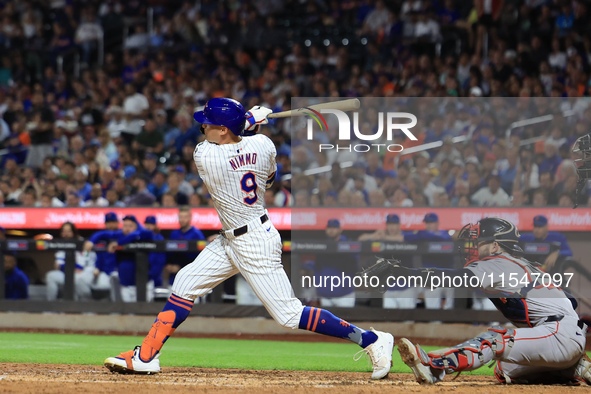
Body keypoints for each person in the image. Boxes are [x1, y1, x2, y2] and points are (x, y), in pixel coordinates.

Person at [104, 98, 394, 379]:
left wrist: (249, 122)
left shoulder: (205, 155)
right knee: (184, 282)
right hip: (232, 238)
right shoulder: (264, 144)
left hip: (254, 242)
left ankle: (371, 339)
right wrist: (251, 126)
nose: (203, 127)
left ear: (223, 130)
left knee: (289, 315)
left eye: (209, 124)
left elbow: (230, 148)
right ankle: (146, 357)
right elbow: (266, 178)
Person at [392, 217, 590, 385]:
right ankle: (571, 368)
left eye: (480, 242)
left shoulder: (498, 262)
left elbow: (455, 278)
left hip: (557, 334)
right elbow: (570, 302)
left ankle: (434, 366)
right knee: (505, 369)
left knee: (495, 339)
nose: (474, 247)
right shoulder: (519, 264)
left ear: (496, 245)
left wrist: (403, 273)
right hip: (565, 336)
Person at [46, 222, 110, 301]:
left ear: (74, 232)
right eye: (63, 231)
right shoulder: (61, 245)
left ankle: (86, 306)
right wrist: (71, 268)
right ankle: (51, 306)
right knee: (51, 276)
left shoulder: (83, 244)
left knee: (77, 279)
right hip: (67, 272)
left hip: (85, 273)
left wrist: (74, 268)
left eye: (68, 231)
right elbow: (58, 265)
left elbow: (87, 263)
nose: (65, 234)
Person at [404, 213, 453, 310]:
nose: (429, 225)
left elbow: (444, 238)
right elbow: (406, 237)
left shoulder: (444, 233)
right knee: (433, 309)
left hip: (447, 275)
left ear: (437, 223)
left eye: (431, 222)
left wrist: (423, 235)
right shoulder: (421, 234)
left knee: (450, 306)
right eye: (427, 223)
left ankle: (449, 321)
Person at [165, 206, 205, 286]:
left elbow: (200, 256)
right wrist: (168, 264)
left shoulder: (196, 234)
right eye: (180, 217)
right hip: (174, 276)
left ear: (190, 218)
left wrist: (180, 267)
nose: (182, 220)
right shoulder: (174, 233)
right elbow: (169, 252)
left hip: (191, 276)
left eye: (185, 217)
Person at [143, 216, 166, 288]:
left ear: (155, 225)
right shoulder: (141, 237)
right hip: (142, 274)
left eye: (151, 224)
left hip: (155, 275)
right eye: (147, 224)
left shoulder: (159, 238)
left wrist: (153, 273)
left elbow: (161, 260)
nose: (149, 226)